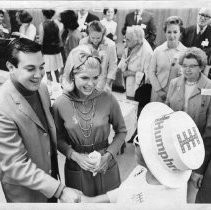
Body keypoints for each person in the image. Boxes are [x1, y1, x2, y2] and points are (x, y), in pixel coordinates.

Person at [0, 38, 80, 202]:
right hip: (26, 194)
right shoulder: (2, 106)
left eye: (42, 67)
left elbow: (46, 130)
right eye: (30, 68)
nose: (39, 75)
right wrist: (60, 190)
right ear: (10, 67)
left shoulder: (42, 88)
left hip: (50, 181)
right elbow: (15, 164)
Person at [80, 102, 205, 204]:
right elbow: (126, 192)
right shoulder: (147, 170)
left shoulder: (162, 203)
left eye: (139, 139)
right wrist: (90, 201)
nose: (134, 144)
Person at [52, 44, 127, 197]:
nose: (91, 84)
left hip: (106, 163)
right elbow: (57, 138)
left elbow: (121, 131)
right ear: (72, 75)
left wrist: (109, 155)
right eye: (85, 78)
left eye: (95, 78)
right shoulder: (60, 103)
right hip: (76, 165)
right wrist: (74, 155)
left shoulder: (107, 98)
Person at [165, 47, 211, 203]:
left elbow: (209, 132)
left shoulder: (209, 87)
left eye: (192, 66)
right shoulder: (174, 83)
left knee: (188, 198)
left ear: (201, 67)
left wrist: (200, 169)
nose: (187, 69)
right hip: (173, 149)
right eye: (184, 66)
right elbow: (166, 115)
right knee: (170, 194)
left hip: (196, 153)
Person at [149, 16, 187, 103]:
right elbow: (151, 72)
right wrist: (159, 91)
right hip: (157, 93)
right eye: (169, 32)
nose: (172, 35)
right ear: (165, 33)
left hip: (176, 95)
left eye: (175, 32)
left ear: (180, 33)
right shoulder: (158, 50)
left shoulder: (186, 52)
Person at [79, 20, 118, 91]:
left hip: (103, 82)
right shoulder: (82, 43)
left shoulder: (110, 45)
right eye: (92, 38)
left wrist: (108, 84)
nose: (95, 40)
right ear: (89, 34)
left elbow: (113, 66)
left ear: (103, 34)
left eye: (98, 38)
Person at [118, 25, 153, 101]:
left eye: (128, 40)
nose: (125, 41)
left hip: (139, 92)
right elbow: (120, 67)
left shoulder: (147, 53)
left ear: (136, 41)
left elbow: (148, 78)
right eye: (125, 38)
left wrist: (131, 73)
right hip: (126, 88)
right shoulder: (129, 46)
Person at [38, 9, 64, 83]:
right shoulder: (56, 24)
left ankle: (50, 88)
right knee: (56, 70)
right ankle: (60, 85)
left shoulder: (42, 25)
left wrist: (39, 51)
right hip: (56, 51)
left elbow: (41, 41)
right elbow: (59, 39)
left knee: (48, 71)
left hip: (47, 52)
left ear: (44, 15)